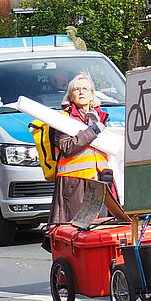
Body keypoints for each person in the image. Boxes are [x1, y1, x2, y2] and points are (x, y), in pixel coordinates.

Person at [47, 73, 110, 230]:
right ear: (70, 94)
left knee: (99, 230)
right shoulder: (64, 118)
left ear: (91, 94)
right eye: (77, 89)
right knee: (75, 230)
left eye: (85, 89)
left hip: (99, 181)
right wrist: (93, 131)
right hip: (74, 184)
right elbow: (67, 147)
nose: (81, 92)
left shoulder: (100, 116)